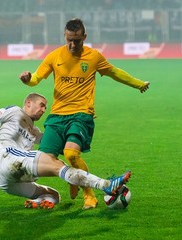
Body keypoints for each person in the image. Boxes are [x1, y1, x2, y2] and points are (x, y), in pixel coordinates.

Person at [19, 18, 150, 210]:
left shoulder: (93, 57)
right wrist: (28, 79)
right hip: (56, 117)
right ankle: (73, 177)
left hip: (81, 115)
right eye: (69, 40)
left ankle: (89, 195)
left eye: (77, 40)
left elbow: (114, 72)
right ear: (65, 36)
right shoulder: (54, 56)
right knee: (45, 162)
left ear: (84, 37)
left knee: (71, 153)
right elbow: (37, 78)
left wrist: (139, 84)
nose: (73, 44)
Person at [0, 93, 131, 209]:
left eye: (45, 106)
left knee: (53, 196)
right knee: (56, 165)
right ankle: (106, 185)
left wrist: (81, 117)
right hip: (6, 157)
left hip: (8, 181)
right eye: (41, 105)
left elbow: (57, 142)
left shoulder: (35, 132)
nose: (44, 109)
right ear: (28, 103)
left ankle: (37, 203)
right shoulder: (14, 111)